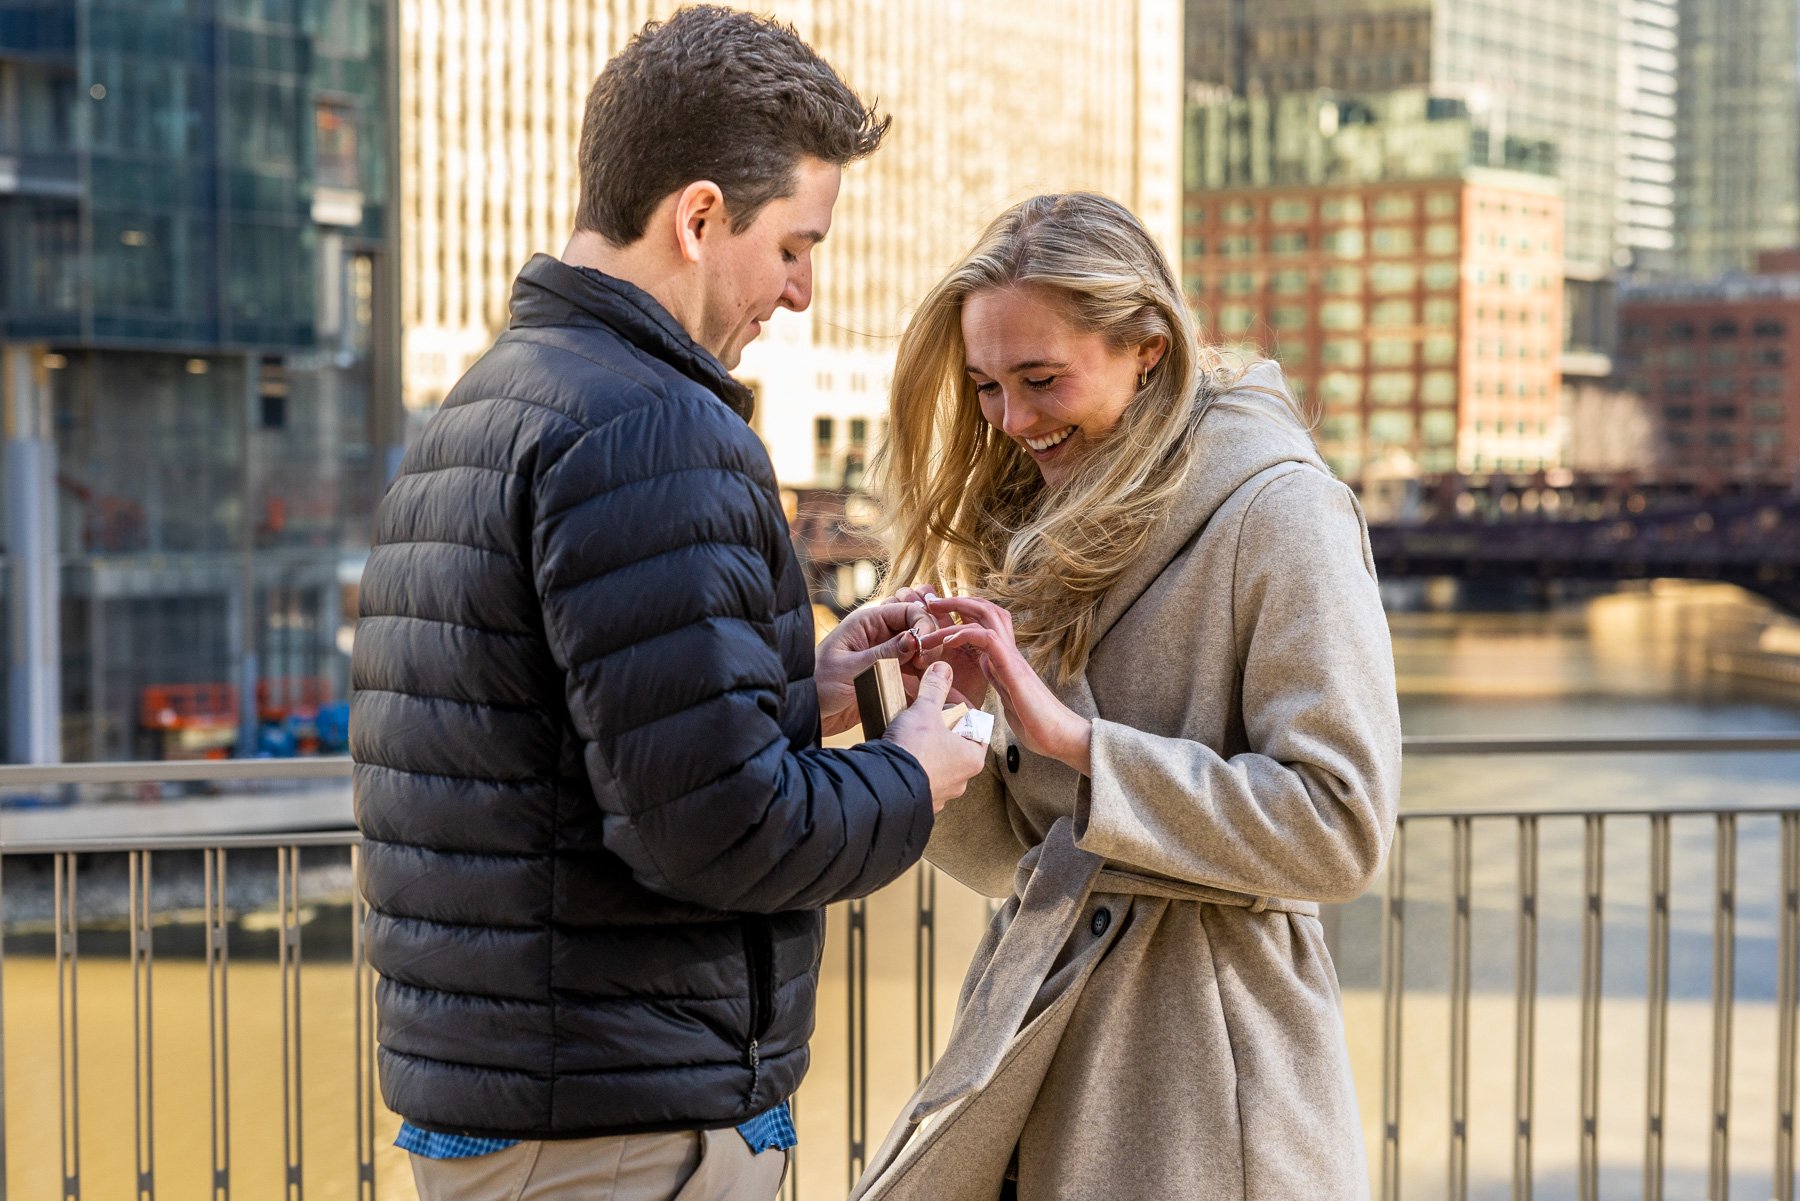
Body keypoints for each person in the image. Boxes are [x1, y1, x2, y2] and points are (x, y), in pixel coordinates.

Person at [349, 9, 985, 1200]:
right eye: (795, 246)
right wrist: (918, 770)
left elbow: (565, 751)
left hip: (510, 1117)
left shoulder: (485, 408)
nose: (802, 293)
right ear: (697, 217)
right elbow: (719, 830)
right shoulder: (658, 429)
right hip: (631, 1132)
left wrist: (807, 683)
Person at [852, 193, 1403, 1201]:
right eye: (985, 386)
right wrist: (960, 712)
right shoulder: (1038, 526)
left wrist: (1077, 741)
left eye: (1041, 379)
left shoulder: (1282, 510)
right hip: (1045, 1047)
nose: (1013, 421)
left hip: (1205, 1079)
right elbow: (1012, 862)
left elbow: (1342, 827)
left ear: (1148, 345)